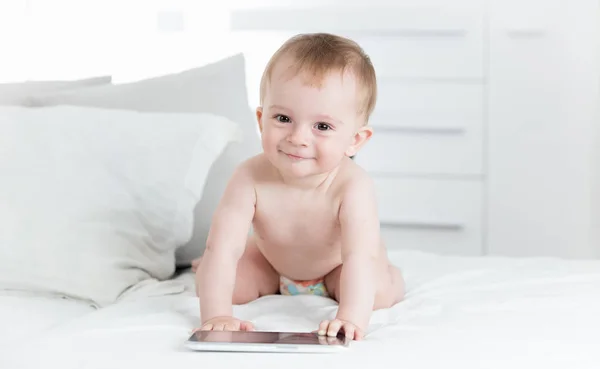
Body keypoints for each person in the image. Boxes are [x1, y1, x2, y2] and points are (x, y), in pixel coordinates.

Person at [191, 32, 405, 340]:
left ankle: (391, 274)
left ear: (355, 140)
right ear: (262, 118)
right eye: (283, 118)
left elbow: (359, 257)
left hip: (337, 267)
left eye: (322, 126)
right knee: (217, 282)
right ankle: (219, 272)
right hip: (271, 263)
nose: (298, 137)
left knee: (376, 293)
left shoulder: (352, 185)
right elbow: (222, 248)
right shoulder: (249, 177)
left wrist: (349, 318)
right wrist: (217, 315)